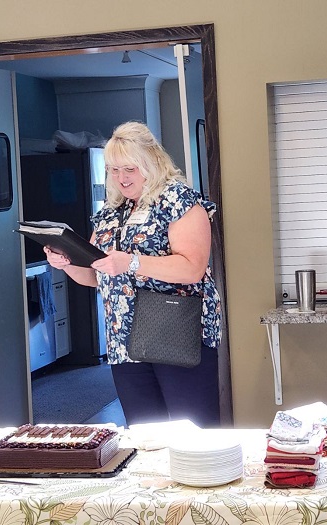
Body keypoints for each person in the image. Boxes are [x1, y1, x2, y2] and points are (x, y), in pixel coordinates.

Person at [45, 121, 221, 428]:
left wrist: (132, 263)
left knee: (195, 434)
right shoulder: (112, 211)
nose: (121, 178)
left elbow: (192, 267)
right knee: (144, 436)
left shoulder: (179, 201)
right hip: (124, 343)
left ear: (151, 161)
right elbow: (93, 275)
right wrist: (67, 263)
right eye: (113, 169)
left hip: (176, 332)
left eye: (129, 169)